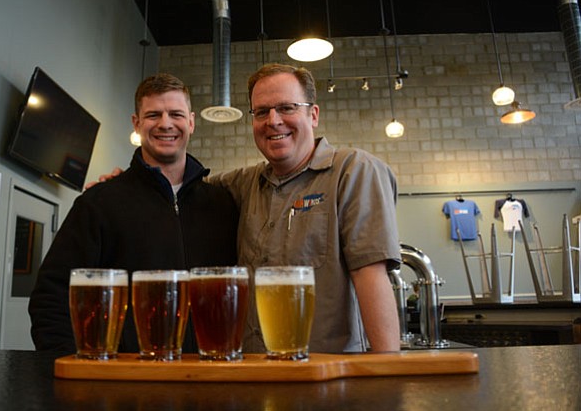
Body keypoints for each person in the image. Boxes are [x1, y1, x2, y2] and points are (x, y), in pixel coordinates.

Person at [91, 64, 402, 353]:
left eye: (287, 108)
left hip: (327, 377)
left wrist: (386, 374)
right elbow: (181, 187)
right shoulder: (243, 183)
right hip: (252, 375)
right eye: (262, 111)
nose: (274, 121)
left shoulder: (353, 170)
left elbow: (371, 274)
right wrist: (129, 184)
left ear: (313, 114)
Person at [28, 73, 239, 354]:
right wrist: (73, 374)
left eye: (175, 114)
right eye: (153, 115)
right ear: (136, 124)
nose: (165, 123)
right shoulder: (99, 203)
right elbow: (51, 298)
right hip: (124, 383)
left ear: (191, 122)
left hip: (209, 378)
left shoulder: (222, 204)